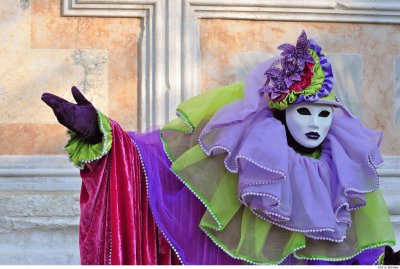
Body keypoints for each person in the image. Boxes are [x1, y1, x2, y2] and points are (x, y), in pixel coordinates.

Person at [42, 31, 398, 265]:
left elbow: (356, 238)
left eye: (324, 114)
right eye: (303, 112)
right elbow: (156, 162)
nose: (315, 124)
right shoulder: (240, 155)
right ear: (281, 112)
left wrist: (382, 258)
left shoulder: (345, 168)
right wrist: (101, 132)